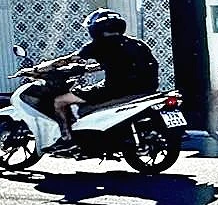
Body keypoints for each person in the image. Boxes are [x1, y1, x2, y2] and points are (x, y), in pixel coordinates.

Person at [35, 8, 160, 151]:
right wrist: (88, 69)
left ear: (95, 28)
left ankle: (67, 139)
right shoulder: (136, 43)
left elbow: (67, 60)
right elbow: (116, 64)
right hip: (147, 88)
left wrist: (40, 69)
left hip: (116, 90)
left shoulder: (98, 45)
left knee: (60, 101)